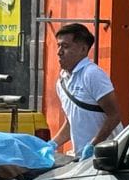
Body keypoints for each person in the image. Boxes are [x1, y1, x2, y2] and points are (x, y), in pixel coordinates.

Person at [51, 22, 120, 159]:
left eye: (65, 46)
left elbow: (114, 115)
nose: (59, 52)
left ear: (83, 49)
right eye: (58, 46)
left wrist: (93, 145)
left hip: (106, 157)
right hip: (82, 158)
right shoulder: (62, 81)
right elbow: (71, 122)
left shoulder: (92, 74)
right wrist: (53, 144)